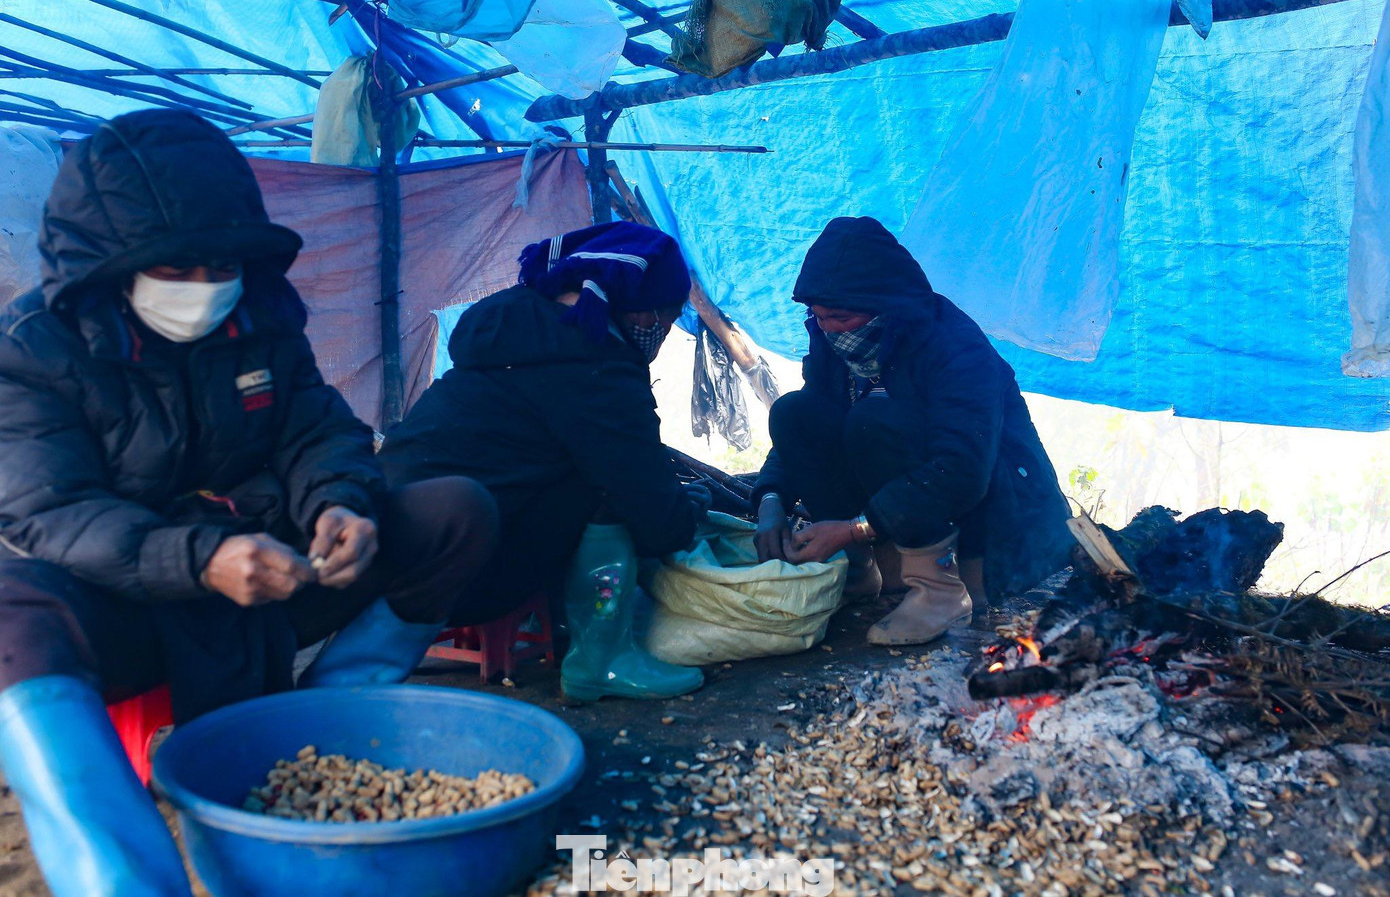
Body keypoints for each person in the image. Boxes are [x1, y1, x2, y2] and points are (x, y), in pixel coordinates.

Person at [0, 109, 498, 897]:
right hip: (131, 604)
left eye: (221, 264)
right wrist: (198, 561)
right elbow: (49, 513)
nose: (204, 289)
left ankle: (325, 730)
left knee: (454, 511)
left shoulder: (258, 318)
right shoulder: (31, 350)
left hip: (271, 580)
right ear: (108, 265)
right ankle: (119, 875)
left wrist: (342, 506)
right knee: (9, 614)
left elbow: (319, 434)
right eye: (177, 269)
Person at [379, 221, 707, 703]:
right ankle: (603, 661)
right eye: (668, 316)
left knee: (559, 467)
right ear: (637, 310)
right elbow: (657, 517)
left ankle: (547, 619)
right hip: (457, 578)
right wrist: (685, 512)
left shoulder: (508, 332)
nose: (663, 332)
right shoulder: (597, 367)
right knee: (610, 487)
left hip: (377, 548)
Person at [752, 216, 1072, 646]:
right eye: (817, 316)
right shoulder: (835, 339)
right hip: (901, 499)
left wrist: (855, 527)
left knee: (873, 420)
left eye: (839, 317)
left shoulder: (955, 348)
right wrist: (771, 496)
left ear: (885, 305)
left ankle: (941, 588)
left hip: (990, 509)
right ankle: (857, 570)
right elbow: (808, 424)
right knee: (795, 411)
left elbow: (963, 469)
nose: (826, 328)